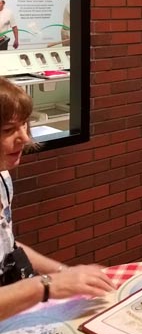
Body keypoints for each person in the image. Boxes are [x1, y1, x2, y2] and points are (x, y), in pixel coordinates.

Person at [0, 77, 115, 320]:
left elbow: (8, 246)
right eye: (9, 130)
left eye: (24, 125)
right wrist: (48, 286)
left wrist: (66, 273)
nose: (25, 138)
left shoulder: (3, 177)